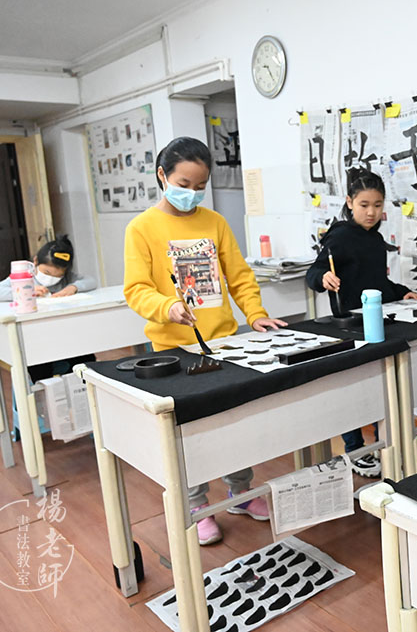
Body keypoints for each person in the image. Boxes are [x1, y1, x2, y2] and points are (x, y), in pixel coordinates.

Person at [123, 136, 287, 545]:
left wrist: (255, 314)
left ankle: (241, 493)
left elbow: (239, 275)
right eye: (184, 184)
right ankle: (196, 507)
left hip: (224, 342)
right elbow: (136, 289)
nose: (192, 193)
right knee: (188, 433)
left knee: (234, 422)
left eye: (200, 186)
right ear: (162, 176)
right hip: (173, 351)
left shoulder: (214, 222)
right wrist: (167, 307)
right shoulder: (141, 228)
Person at [306, 167, 417, 477]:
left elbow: (378, 283)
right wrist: (324, 277)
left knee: (376, 388)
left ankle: (383, 444)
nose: (371, 212)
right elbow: (313, 273)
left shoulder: (376, 238)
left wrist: (403, 292)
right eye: (364, 205)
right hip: (348, 324)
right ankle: (354, 449)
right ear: (349, 202)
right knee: (352, 390)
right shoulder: (339, 236)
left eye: (377, 205)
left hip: (376, 321)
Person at [0, 235, 98, 383]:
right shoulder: (24, 277)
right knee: (38, 369)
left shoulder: (67, 278)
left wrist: (73, 287)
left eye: (58, 275)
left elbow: (91, 281)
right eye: (47, 273)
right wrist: (26, 290)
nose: (51, 278)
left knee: (85, 358)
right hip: (36, 341)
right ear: (35, 262)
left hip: (65, 336)